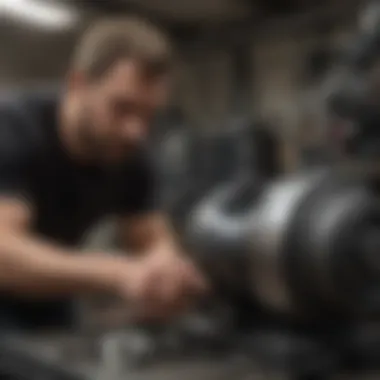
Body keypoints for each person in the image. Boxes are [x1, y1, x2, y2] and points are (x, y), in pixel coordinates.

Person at [0, 17, 207, 330]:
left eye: (147, 114)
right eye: (122, 108)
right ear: (77, 84)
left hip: (46, 295)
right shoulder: (13, 128)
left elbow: (153, 240)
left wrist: (169, 273)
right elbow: (5, 256)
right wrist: (119, 272)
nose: (135, 131)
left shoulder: (129, 154)